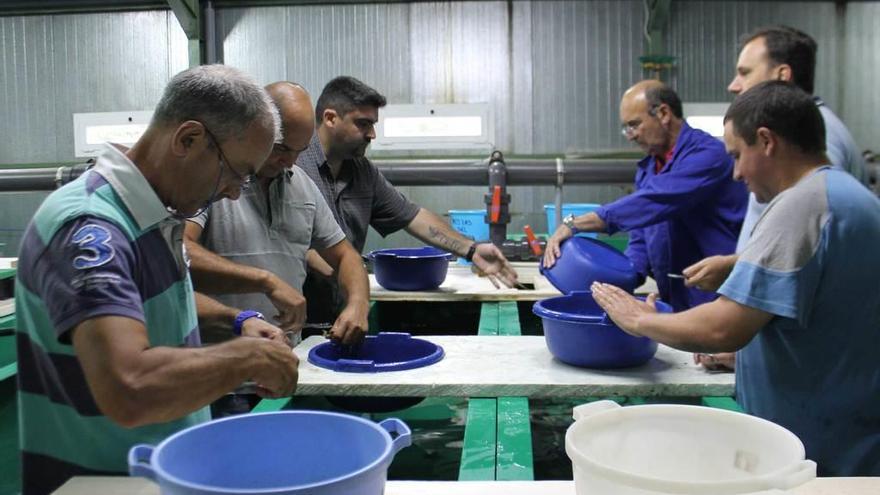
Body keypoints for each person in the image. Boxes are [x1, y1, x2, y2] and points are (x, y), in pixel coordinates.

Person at [14, 65, 299, 494]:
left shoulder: (155, 214)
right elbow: (130, 385)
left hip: (161, 476)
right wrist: (249, 358)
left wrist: (236, 322)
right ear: (188, 139)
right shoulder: (90, 227)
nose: (235, 192)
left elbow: (151, 303)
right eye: (236, 172)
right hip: (102, 484)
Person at [591, 81, 880, 477]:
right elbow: (830, 316)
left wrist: (638, 320)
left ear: (766, 141)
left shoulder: (801, 205)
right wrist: (750, 356)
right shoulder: (848, 195)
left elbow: (722, 328)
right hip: (853, 428)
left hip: (819, 449)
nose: (737, 173)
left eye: (738, 155)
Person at [686, 25, 869, 371]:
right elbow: (807, 250)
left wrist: (744, 345)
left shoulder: (813, 153)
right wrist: (741, 265)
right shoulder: (810, 142)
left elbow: (813, 259)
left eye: (744, 72)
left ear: (782, 76)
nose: (733, 85)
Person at [296, 76, 518, 323]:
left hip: (339, 316)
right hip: (291, 321)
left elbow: (412, 216)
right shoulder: (293, 165)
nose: (372, 134)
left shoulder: (363, 172)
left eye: (373, 124)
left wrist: (471, 249)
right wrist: (317, 258)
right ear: (330, 118)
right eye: (363, 124)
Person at [185, 82, 369, 348]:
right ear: (255, 128)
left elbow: (345, 256)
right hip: (217, 363)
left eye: (300, 151)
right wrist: (264, 281)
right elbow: (178, 253)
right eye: (281, 148)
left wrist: (358, 304)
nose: (290, 162)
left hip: (283, 359)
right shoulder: (213, 180)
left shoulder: (302, 185)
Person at [543, 80, 747, 312]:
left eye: (634, 125)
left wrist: (576, 223)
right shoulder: (649, 169)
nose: (630, 135)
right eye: (626, 128)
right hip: (676, 298)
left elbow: (655, 200)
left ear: (663, 113)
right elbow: (641, 235)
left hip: (719, 297)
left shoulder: (707, 155)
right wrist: (624, 277)